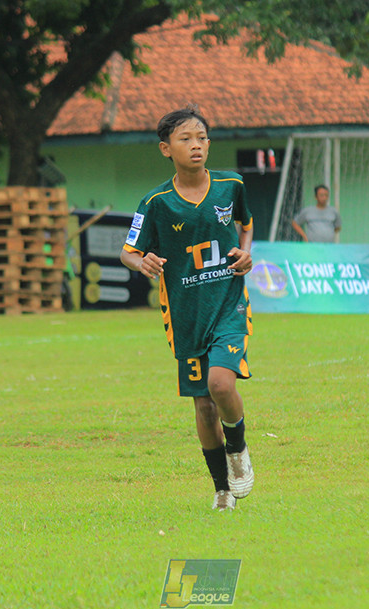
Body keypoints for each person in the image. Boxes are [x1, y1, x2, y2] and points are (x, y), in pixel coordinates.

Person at [119, 106, 255, 512]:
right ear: (166, 149)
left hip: (228, 304)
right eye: (185, 139)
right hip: (184, 314)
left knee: (220, 385)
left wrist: (245, 255)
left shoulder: (232, 185)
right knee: (202, 404)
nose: (196, 145)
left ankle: (239, 450)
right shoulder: (156, 202)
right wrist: (142, 261)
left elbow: (246, 224)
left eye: (201, 137)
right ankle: (221, 490)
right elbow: (129, 251)